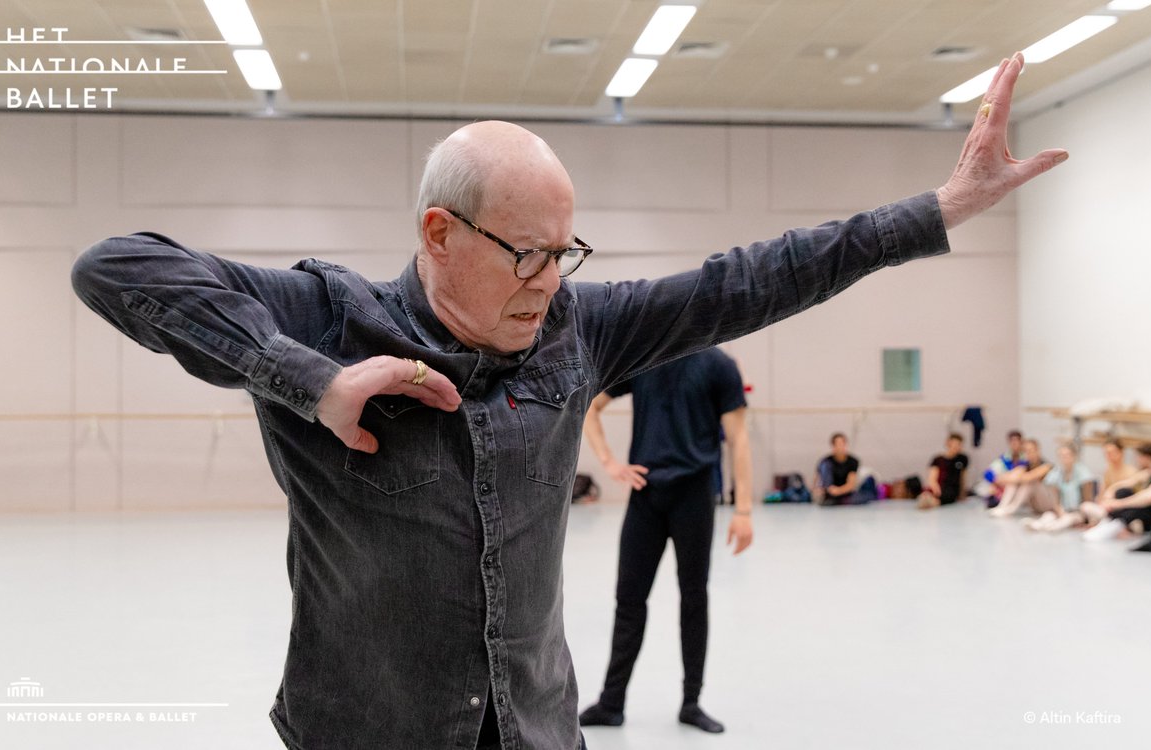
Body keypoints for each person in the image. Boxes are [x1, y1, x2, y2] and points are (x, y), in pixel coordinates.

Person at [69, 54, 1063, 749]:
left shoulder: (581, 329)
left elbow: (753, 278)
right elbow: (116, 268)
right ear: (439, 232)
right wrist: (310, 380)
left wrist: (935, 211)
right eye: (526, 253)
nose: (549, 279)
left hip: (536, 727)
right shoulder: (329, 319)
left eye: (564, 251)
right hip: (364, 729)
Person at [576, 349, 752, 734]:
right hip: (647, 498)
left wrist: (744, 511)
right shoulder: (646, 358)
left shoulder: (720, 366)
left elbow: (738, 439)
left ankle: (692, 702)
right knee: (629, 599)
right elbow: (592, 406)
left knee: (694, 597)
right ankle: (611, 702)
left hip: (695, 497)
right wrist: (609, 462)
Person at [1081, 443, 1151, 543]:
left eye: (1138, 457)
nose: (1136, 460)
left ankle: (1116, 523)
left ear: (1147, 457)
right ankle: (1112, 521)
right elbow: (1126, 483)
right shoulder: (1148, 472)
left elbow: (1150, 497)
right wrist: (1110, 493)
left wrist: (1118, 504)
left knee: (1145, 503)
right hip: (1146, 517)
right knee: (1123, 491)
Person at [1021, 443, 1098, 532]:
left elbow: (1087, 500)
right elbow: (1055, 497)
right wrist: (1059, 511)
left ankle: (1051, 527)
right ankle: (1037, 525)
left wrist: (1086, 518)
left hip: (1079, 511)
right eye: (1062, 455)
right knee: (1048, 515)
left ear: (1074, 456)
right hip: (1063, 509)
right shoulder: (1057, 472)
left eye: (1067, 455)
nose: (1064, 458)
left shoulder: (1083, 472)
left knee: (1067, 519)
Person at [989, 438, 1053, 517]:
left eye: (1031, 450)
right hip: (1034, 506)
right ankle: (1002, 506)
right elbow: (1001, 478)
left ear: (1038, 450)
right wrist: (1010, 477)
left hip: (1047, 505)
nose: (1029, 453)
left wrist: (1013, 477)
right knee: (1013, 482)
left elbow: (1029, 477)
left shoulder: (1046, 466)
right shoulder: (1026, 465)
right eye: (1026, 451)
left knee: (1029, 483)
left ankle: (1011, 509)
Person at [974, 430, 1027, 507]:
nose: (1014, 444)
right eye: (1012, 441)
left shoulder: (1026, 458)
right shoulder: (1004, 458)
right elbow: (988, 473)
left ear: (1021, 442)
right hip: (1005, 486)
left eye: (1017, 441)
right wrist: (997, 481)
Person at [917, 433, 970, 509]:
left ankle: (932, 502)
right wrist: (936, 489)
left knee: (947, 495)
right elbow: (932, 478)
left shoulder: (963, 459)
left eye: (959, 444)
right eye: (955, 444)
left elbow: (963, 477)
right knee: (928, 492)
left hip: (952, 489)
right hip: (940, 487)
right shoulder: (938, 459)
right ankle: (927, 499)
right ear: (948, 443)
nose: (957, 447)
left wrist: (962, 493)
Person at [814, 433, 862, 505]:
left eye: (842, 443)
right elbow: (817, 480)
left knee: (863, 497)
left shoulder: (853, 461)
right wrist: (818, 489)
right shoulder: (826, 461)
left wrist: (838, 491)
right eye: (837, 444)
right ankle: (831, 499)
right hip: (829, 492)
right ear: (833, 446)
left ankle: (837, 500)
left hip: (845, 493)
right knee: (825, 465)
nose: (840, 446)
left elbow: (851, 484)